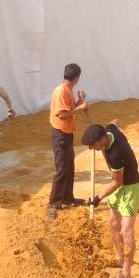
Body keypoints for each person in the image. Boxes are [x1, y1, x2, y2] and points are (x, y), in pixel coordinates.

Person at [82, 120, 139, 278]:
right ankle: (120, 258)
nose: (91, 149)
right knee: (113, 223)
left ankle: (126, 275)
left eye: (93, 145)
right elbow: (113, 122)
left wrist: (97, 198)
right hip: (118, 187)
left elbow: (117, 182)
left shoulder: (117, 153)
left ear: (102, 140)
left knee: (126, 231)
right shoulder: (109, 130)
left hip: (130, 188)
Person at [47, 63, 88, 220]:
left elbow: (68, 111)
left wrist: (79, 101)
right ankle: (53, 203)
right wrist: (79, 107)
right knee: (62, 169)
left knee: (69, 167)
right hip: (60, 135)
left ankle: (67, 198)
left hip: (66, 133)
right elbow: (62, 115)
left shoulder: (67, 90)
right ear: (77, 78)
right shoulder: (61, 92)